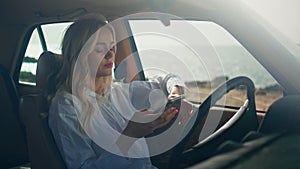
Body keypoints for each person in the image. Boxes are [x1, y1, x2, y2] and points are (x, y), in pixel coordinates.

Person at [48, 14, 196, 169]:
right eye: (99, 49)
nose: (110, 54)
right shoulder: (66, 107)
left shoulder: (120, 91)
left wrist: (176, 94)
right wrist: (129, 136)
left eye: (112, 47)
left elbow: (168, 79)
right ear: (79, 54)